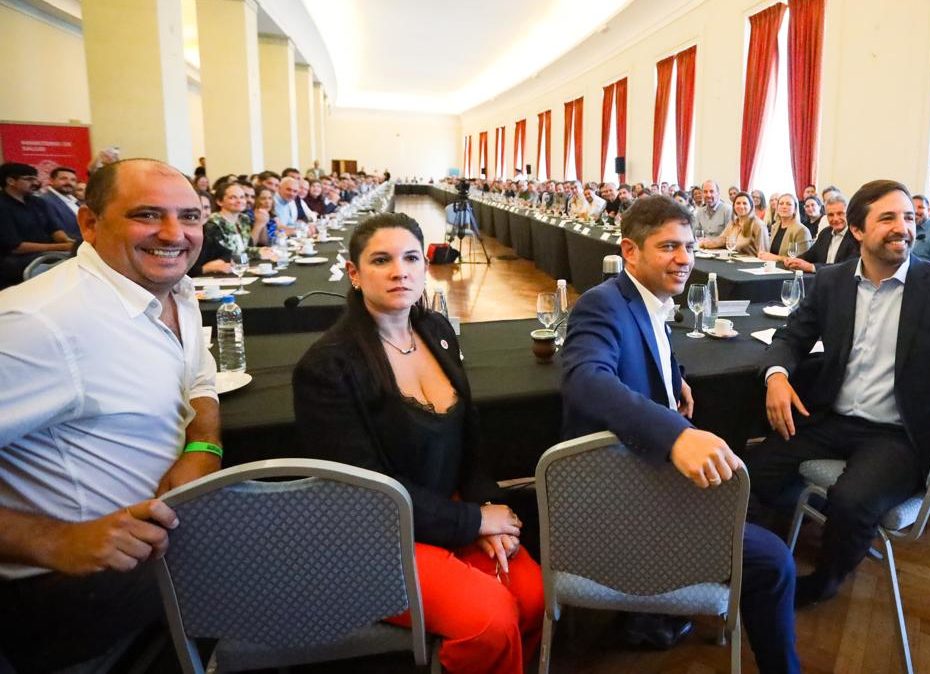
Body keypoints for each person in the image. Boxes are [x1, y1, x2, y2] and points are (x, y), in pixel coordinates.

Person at [747, 179, 930, 607]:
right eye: (887, 218)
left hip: (900, 433)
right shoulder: (831, 282)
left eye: (908, 217)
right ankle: (758, 560)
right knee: (751, 472)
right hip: (832, 418)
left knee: (851, 501)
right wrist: (776, 376)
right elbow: (790, 338)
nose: (903, 227)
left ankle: (823, 582)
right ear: (857, 230)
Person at [560, 195, 801, 673]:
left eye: (689, 246)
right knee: (774, 562)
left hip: (646, 475)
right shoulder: (600, 305)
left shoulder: (647, 298)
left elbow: (651, 346)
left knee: (753, 501)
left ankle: (659, 613)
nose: (685, 258)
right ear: (630, 251)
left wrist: (675, 379)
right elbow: (584, 378)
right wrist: (674, 435)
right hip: (626, 491)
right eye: (669, 247)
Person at [293, 213, 543, 674]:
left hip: (447, 509)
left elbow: (469, 437)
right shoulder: (328, 366)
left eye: (411, 258)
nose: (400, 272)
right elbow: (368, 491)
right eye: (381, 260)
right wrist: (472, 521)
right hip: (379, 535)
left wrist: (487, 509)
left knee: (532, 598)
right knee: (489, 622)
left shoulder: (436, 331)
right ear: (353, 273)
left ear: (425, 267)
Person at [0, 158, 223, 671]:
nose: (174, 234)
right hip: (72, 592)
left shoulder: (172, 289)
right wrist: (52, 540)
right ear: (89, 223)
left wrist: (202, 444)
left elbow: (199, 375)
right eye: (147, 215)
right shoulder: (39, 323)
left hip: (162, 548)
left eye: (189, 216)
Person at [0, 163, 76, 287]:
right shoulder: (3, 206)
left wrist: (67, 241)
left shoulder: (38, 202)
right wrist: (62, 246)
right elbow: (15, 247)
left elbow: (53, 229)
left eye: (35, 178)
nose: (35, 183)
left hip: (46, 253)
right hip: (15, 261)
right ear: (10, 181)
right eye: (29, 179)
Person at [195, 182, 276, 275]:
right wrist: (257, 253)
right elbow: (229, 253)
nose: (239, 201)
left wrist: (260, 250)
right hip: (216, 273)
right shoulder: (213, 223)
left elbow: (247, 247)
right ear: (219, 201)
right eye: (233, 197)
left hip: (236, 267)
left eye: (242, 197)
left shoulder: (244, 219)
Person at [783, 193, 857, 273]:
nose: (835, 218)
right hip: (819, 279)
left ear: (848, 214)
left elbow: (846, 266)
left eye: (840, 213)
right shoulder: (825, 233)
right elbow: (810, 255)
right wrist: (794, 260)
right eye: (831, 215)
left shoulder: (856, 235)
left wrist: (812, 267)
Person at [699, 192, 768, 255]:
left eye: (744, 203)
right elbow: (722, 239)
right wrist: (706, 243)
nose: (741, 206)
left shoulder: (758, 225)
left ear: (751, 206)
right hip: (733, 260)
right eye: (738, 203)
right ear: (734, 206)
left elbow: (763, 253)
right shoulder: (733, 223)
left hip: (751, 263)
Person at [759, 193, 813, 261]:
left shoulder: (801, 230)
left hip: (789, 268)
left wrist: (776, 258)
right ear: (777, 208)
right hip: (772, 266)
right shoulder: (774, 227)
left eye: (788, 204)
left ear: (795, 209)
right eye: (781, 204)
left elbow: (800, 260)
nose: (784, 207)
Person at [39, 166, 82, 239]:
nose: (69, 183)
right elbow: (55, 230)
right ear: (51, 180)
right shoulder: (45, 201)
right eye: (63, 179)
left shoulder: (75, 201)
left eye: (73, 180)